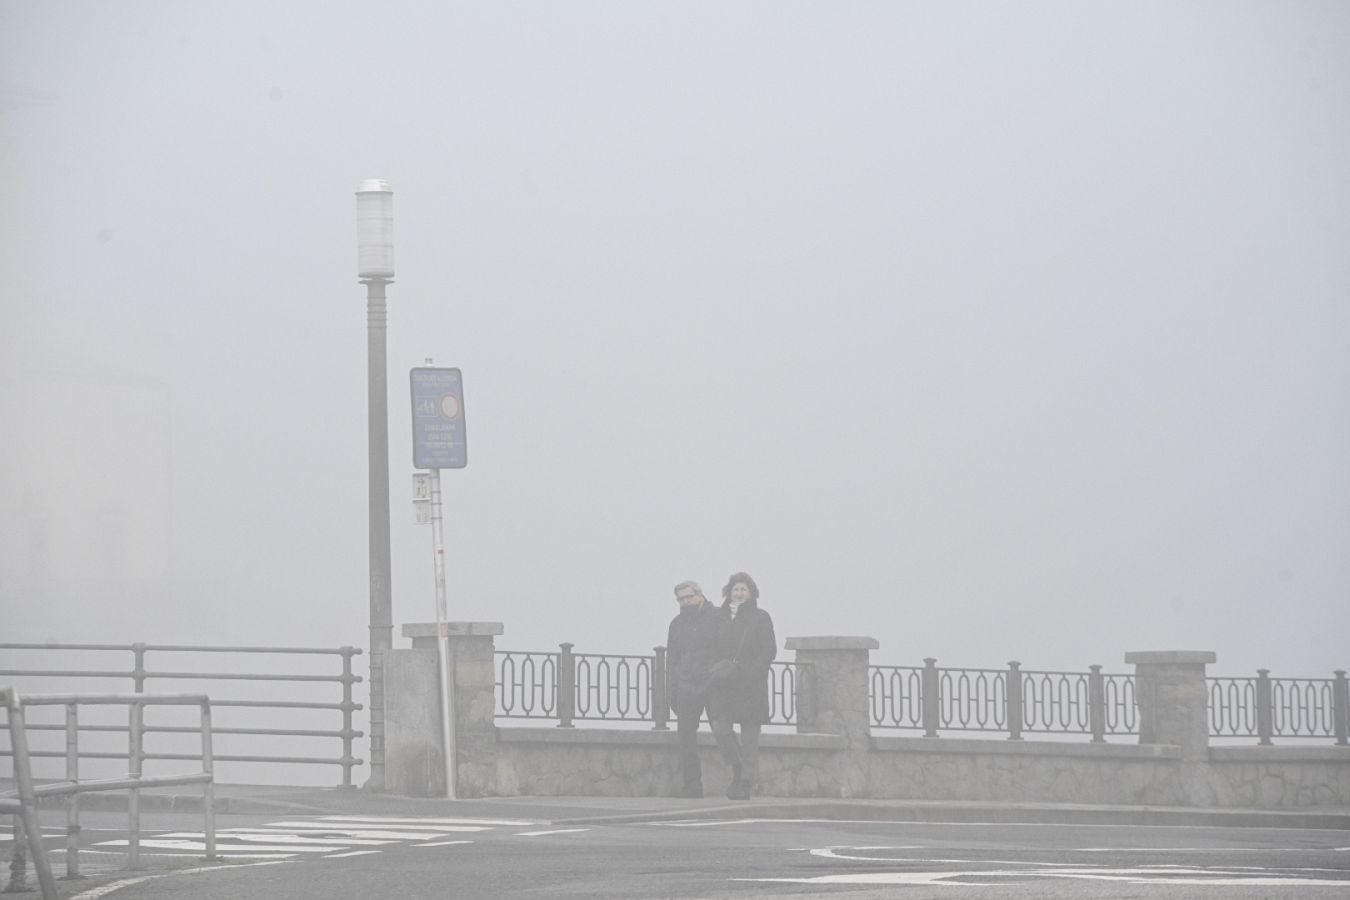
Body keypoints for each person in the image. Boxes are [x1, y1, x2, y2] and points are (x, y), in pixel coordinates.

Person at [665, 579, 737, 798]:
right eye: (681, 599)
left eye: (689, 597)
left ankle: (740, 777)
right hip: (687, 685)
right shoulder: (676, 624)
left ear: (699, 595)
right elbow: (672, 659)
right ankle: (692, 785)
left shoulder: (717, 617)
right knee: (686, 736)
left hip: (713, 684)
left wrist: (721, 675)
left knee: (722, 731)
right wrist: (673, 690)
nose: (685, 601)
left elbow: (728, 649)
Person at [711, 571, 776, 800]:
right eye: (735, 589)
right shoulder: (719, 617)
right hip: (725, 684)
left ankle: (746, 783)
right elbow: (711, 646)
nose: (739, 593)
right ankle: (737, 769)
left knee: (750, 739)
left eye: (743, 590)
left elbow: (769, 650)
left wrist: (752, 672)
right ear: (729, 592)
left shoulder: (760, 617)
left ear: (751, 593)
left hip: (751, 686)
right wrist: (716, 668)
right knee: (720, 728)